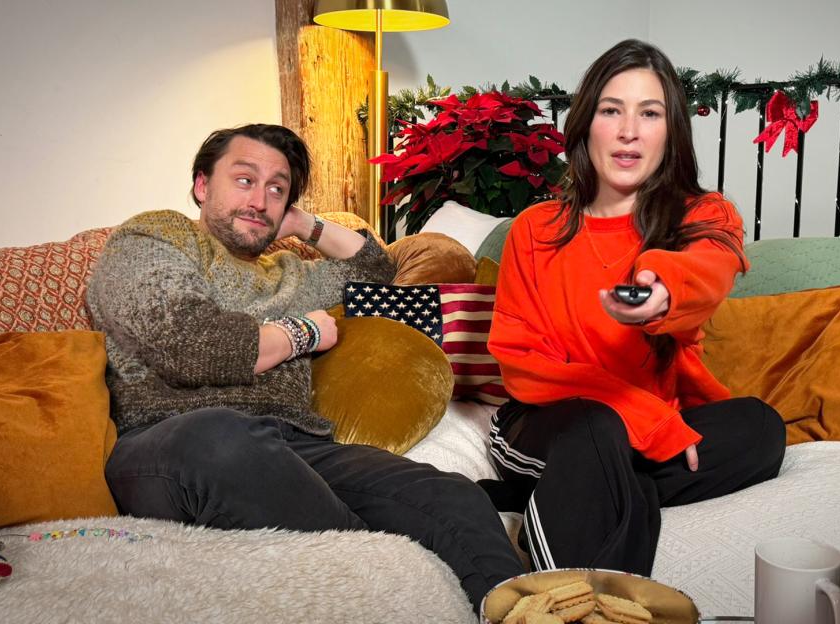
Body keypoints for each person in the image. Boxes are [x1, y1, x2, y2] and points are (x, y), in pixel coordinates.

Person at [86, 123, 523, 609]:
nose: (260, 200)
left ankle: (523, 613)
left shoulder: (287, 272)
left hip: (291, 442)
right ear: (202, 185)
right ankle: (378, 569)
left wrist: (300, 224)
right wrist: (302, 333)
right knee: (221, 437)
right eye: (245, 180)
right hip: (169, 442)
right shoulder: (155, 236)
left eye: (277, 188)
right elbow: (188, 342)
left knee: (454, 497)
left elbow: (373, 267)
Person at [482, 40, 787, 575]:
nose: (628, 131)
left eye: (649, 113)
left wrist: (660, 294)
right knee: (599, 429)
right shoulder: (534, 228)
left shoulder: (705, 212)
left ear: (670, 132)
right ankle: (578, 597)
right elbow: (520, 362)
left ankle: (561, 499)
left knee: (761, 428)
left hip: (647, 426)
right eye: (611, 111)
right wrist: (639, 416)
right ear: (587, 125)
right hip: (549, 420)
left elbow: (708, 269)